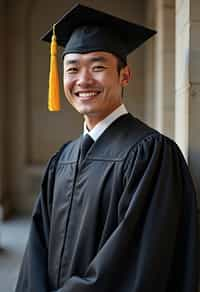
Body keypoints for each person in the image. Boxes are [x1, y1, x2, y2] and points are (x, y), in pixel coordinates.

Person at [15, 4, 198, 292]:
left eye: (98, 67)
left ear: (124, 75)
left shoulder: (151, 155)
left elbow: (136, 263)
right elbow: (36, 253)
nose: (83, 80)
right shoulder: (62, 159)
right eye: (72, 68)